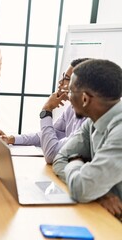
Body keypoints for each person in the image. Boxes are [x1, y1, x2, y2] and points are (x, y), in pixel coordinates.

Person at [52, 59, 122, 220]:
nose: (68, 97)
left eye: (70, 91)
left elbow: (82, 189)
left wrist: (75, 161)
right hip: (107, 214)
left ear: (85, 99)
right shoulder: (93, 121)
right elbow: (59, 158)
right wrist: (99, 192)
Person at [0, 58, 89, 164]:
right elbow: (46, 135)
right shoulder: (70, 110)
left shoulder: (89, 122)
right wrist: (12, 139)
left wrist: (47, 110)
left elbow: (51, 154)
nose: (60, 82)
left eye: (66, 79)